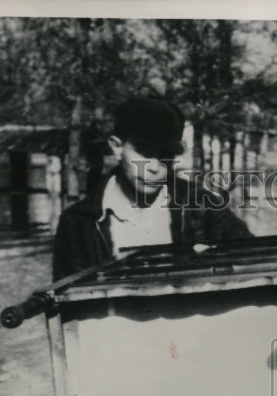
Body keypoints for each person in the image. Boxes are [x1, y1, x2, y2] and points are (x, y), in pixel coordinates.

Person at [52, 97, 252, 280]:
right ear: (116, 147)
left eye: (166, 156)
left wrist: (214, 263)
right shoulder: (78, 223)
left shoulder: (203, 205)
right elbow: (70, 307)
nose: (156, 168)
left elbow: (251, 257)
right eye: (145, 152)